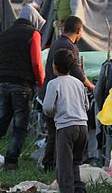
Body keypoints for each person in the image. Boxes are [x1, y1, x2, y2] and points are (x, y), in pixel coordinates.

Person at [0, 11, 44, 173]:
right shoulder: (33, 34)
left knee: (1, 122)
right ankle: (11, 163)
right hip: (22, 85)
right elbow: (36, 62)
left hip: (3, 84)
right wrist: (41, 82)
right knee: (20, 127)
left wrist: (4, 78)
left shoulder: (3, 35)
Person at [40, 15, 94, 171]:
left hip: (50, 93)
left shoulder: (57, 43)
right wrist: (90, 86)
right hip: (61, 99)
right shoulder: (70, 47)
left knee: (52, 133)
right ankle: (55, 166)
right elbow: (76, 70)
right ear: (78, 30)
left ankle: (49, 164)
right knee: (57, 135)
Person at [43, 49, 90, 193]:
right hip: (82, 126)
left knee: (63, 165)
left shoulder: (54, 84)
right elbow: (87, 105)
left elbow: (48, 107)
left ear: (54, 66)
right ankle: (79, 191)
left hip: (65, 127)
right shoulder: (78, 83)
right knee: (75, 162)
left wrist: (56, 112)